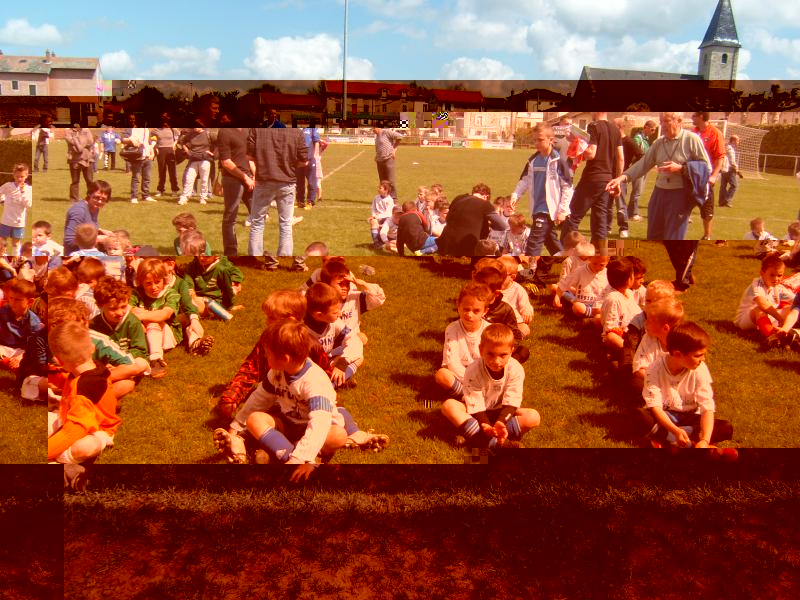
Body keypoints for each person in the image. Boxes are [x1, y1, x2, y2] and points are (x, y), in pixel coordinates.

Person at [244, 320, 347, 482]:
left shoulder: (314, 382)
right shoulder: (277, 372)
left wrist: (301, 457)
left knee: (339, 436)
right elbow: (259, 398)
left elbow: (319, 424)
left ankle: (287, 456)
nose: (265, 355)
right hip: (289, 424)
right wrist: (235, 427)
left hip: (320, 430)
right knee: (254, 419)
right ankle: (296, 459)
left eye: (267, 353)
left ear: (285, 358)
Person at [607, 113, 710, 240]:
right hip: (659, 194)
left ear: (679, 121)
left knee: (673, 238)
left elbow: (706, 167)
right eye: (661, 121)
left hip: (680, 194)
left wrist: (682, 169)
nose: (662, 125)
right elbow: (643, 164)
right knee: (653, 236)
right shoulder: (659, 142)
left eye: (666, 121)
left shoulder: (691, 139)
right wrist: (621, 178)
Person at [635, 321, 734, 450]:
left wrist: (705, 440)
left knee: (725, 427)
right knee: (640, 415)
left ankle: (667, 439)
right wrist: (675, 430)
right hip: (666, 416)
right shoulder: (655, 368)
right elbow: (655, 407)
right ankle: (683, 441)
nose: (703, 359)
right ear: (678, 354)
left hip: (692, 418)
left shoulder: (700, 369)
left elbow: (707, 407)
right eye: (698, 355)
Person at [440, 323, 540, 449]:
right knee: (449, 406)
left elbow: (512, 400)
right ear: (481, 350)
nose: (496, 361)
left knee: (533, 417)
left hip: (501, 411)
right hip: (476, 414)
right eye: (490, 354)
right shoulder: (473, 370)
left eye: (503, 355)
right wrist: (485, 424)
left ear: (512, 350)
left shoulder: (516, 369)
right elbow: (474, 402)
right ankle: (499, 444)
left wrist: (501, 421)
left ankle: (475, 437)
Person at [47, 321, 121, 468]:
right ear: (92, 348)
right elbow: (66, 378)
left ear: (60, 360)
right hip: (69, 418)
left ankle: (61, 461)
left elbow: (75, 430)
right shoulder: (93, 367)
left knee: (85, 447)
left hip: (97, 430)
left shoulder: (83, 389)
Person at [509, 122, 572, 266]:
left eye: (540, 139)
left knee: (533, 243)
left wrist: (562, 210)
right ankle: (568, 263)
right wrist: (515, 195)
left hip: (548, 209)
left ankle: (529, 271)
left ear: (551, 140)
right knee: (551, 242)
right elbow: (524, 180)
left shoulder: (558, 161)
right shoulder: (532, 160)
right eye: (535, 140)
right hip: (536, 208)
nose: (536, 143)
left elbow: (568, 187)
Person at [246, 127, 308, 270]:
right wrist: (290, 166)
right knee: (286, 224)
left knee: (257, 223)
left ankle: (254, 257)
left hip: (264, 181)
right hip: (287, 182)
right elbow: (304, 161)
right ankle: (284, 256)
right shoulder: (296, 132)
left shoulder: (257, 130)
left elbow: (249, 157)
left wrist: (262, 167)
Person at [560, 112, 623, 243]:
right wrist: (617, 180)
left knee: (573, 215)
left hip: (592, 177)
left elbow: (591, 154)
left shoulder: (593, 126)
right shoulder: (615, 130)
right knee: (600, 220)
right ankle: (599, 251)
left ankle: (566, 248)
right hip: (608, 179)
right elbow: (621, 158)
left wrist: (576, 141)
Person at [89, 276, 150, 398]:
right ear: (99, 305)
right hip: (106, 366)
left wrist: (118, 363)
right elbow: (93, 353)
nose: (120, 312)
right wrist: (104, 365)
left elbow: (140, 350)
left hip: (129, 362)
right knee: (126, 383)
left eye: (123, 306)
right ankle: (102, 390)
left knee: (140, 364)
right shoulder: (94, 324)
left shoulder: (132, 322)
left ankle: (101, 388)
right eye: (113, 308)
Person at [435, 282, 492, 399]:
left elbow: (492, 361)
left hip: (483, 377)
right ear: (458, 305)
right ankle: (467, 397)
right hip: (460, 376)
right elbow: (452, 362)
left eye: (476, 311)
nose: (469, 314)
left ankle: (475, 397)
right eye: (466, 309)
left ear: (485, 311)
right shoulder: (452, 329)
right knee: (442, 375)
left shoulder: (489, 330)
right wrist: (469, 380)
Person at [129, 258, 183, 379]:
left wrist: (141, 315)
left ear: (164, 279)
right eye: (148, 283)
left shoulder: (171, 293)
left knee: (152, 322)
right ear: (141, 282)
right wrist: (139, 321)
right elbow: (127, 310)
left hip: (168, 334)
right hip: (144, 332)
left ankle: (156, 359)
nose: (154, 287)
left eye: (157, 282)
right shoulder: (137, 293)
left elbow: (164, 314)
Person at [733, 253, 794, 350]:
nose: (776, 279)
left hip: (767, 318)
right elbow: (763, 304)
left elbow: (795, 299)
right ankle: (772, 337)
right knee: (759, 309)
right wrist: (780, 319)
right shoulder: (757, 284)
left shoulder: (778, 287)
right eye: (772, 275)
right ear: (762, 273)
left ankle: (791, 334)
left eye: (779, 275)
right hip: (746, 320)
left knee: (793, 309)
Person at [437, 183, 509, 256]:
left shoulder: (458, 198)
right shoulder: (484, 204)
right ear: (486, 196)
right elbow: (502, 226)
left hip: (445, 244)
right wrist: (490, 224)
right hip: (467, 248)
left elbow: (449, 218)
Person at [217, 126, 255, 255]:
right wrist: (245, 177)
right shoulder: (225, 131)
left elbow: (251, 158)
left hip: (249, 178)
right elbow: (226, 162)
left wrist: (255, 176)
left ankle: (255, 251)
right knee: (230, 217)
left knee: (257, 217)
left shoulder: (248, 130)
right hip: (232, 179)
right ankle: (231, 252)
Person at [691, 112, 725, 240]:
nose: (691, 118)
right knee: (682, 204)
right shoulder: (693, 132)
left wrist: (714, 175)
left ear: (701, 116)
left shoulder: (715, 133)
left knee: (706, 207)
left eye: (694, 115)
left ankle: (707, 236)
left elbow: (720, 157)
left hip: (706, 177)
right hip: (691, 175)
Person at [63, 181, 114, 256]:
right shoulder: (79, 211)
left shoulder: (94, 207)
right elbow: (69, 240)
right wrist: (97, 239)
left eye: (103, 199)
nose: (99, 201)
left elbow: (86, 226)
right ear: (89, 194)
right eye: (96, 197)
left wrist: (100, 230)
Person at [121, 114, 156, 204]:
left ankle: (146, 195)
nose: (133, 120)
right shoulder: (130, 129)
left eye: (134, 119)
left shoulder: (146, 129)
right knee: (136, 177)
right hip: (137, 156)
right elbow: (122, 139)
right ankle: (134, 197)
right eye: (131, 119)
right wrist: (131, 140)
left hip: (147, 156)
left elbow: (148, 142)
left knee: (147, 178)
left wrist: (152, 153)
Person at [626, 120, 656, 221]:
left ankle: (630, 212)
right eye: (652, 130)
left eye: (654, 130)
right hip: (638, 168)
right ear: (646, 127)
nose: (653, 132)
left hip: (644, 168)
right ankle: (633, 213)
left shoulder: (646, 139)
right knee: (637, 191)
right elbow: (634, 151)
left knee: (639, 191)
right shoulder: (638, 138)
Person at [0, 163, 32, 256]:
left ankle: (15, 259)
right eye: (17, 176)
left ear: (26, 176)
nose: (19, 179)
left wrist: (22, 192)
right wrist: (2, 199)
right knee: (2, 242)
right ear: (13, 175)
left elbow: (28, 204)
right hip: (6, 220)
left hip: (18, 222)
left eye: (22, 176)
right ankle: (4, 258)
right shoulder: (8, 186)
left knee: (16, 243)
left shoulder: (29, 189)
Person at [65, 123, 95, 202]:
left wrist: (78, 141)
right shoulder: (68, 131)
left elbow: (90, 142)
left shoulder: (86, 130)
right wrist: (83, 142)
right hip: (74, 159)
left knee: (89, 180)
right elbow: (71, 142)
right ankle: (74, 199)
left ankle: (90, 197)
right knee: (75, 180)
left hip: (87, 158)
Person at [151, 113, 179, 197]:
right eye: (163, 117)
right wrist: (155, 147)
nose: (165, 120)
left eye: (166, 118)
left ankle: (174, 190)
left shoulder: (172, 129)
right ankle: (160, 190)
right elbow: (151, 139)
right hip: (161, 151)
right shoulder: (156, 130)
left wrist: (174, 144)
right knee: (162, 171)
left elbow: (179, 136)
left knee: (172, 171)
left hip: (170, 151)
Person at [373, 124, 404, 198]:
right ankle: (384, 197)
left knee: (391, 181)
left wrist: (394, 149)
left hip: (388, 159)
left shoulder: (386, 132)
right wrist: (376, 156)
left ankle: (393, 198)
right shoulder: (377, 137)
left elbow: (400, 136)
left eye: (373, 128)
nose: (373, 130)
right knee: (383, 181)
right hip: (379, 161)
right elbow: (378, 149)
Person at [297, 121, 320, 210]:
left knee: (311, 182)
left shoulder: (312, 127)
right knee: (299, 181)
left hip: (310, 157)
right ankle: (300, 201)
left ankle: (310, 202)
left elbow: (316, 141)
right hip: (298, 157)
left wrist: (315, 155)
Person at [719, 134, 741, 207]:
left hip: (723, 168)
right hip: (730, 169)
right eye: (738, 141)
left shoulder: (725, 146)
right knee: (734, 185)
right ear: (733, 141)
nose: (738, 142)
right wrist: (737, 170)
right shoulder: (730, 148)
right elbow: (732, 161)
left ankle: (721, 201)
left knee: (723, 186)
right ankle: (727, 200)